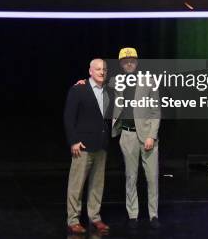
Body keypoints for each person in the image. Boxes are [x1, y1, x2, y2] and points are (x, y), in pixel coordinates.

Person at [113, 47, 161, 230]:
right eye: (125, 61)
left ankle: (153, 214)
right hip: (127, 135)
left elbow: (156, 111)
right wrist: (83, 83)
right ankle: (133, 214)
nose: (129, 63)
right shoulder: (117, 82)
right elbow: (97, 85)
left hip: (147, 137)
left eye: (132, 60)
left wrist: (152, 136)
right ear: (121, 64)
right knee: (130, 177)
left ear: (137, 61)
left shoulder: (149, 81)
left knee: (152, 178)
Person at [63, 59, 112, 235]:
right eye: (98, 69)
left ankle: (95, 217)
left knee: (97, 185)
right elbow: (69, 118)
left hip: (101, 146)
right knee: (76, 185)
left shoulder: (108, 90)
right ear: (90, 71)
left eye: (104, 69)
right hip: (82, 145)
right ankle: (73, 220)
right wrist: (73, 140)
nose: (102, 72)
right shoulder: (79, 89)